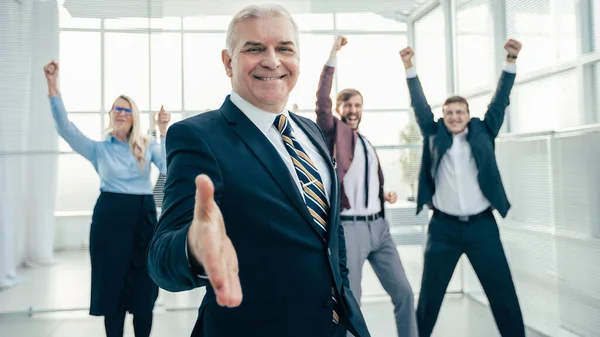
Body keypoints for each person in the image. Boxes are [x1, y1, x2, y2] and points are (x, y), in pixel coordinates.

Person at [146, 4, 370, 337]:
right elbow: (160, 259)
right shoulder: (197, 136)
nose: (272, 60)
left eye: (284, 48)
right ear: (228, 62)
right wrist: (193, 247)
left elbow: (327, 233)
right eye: (254, 49)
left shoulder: (310, 131)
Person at [400, 39, 526, 337]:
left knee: (503, 295)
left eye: (460, 112)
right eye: (449, 112)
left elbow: (501, 99)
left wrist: (510, 59)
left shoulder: (484, 129)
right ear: (443, 117)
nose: (454, 117)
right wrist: (409, 67)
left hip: (482, 227)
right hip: (443, 229)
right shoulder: (433, 133)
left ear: (469, 115)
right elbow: (419, 104)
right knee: (429, 298)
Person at [43, 60, 171, 337]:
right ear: (111, 114)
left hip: (143, 218)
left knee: (143, 290)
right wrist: (53, 85)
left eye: (127, 109)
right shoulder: (98, 150)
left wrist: (162, 132)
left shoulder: (147, 146)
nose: (122, 112)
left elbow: (167, 168)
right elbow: (65, 128)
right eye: (117, 108)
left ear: (134, 116)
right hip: (109, 219)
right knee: (111, 287)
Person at [315, 36, 418, 337]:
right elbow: (321, 102)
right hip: (351, 230)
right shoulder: (335, 133)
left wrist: (381, 195)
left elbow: (361, 180)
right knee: (352, 302)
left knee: (404, 293)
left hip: (380, 229)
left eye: (358, 104)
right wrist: (332, 57)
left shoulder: (367, 144)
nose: (353, 109)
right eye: (347, 104)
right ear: (340, 108)